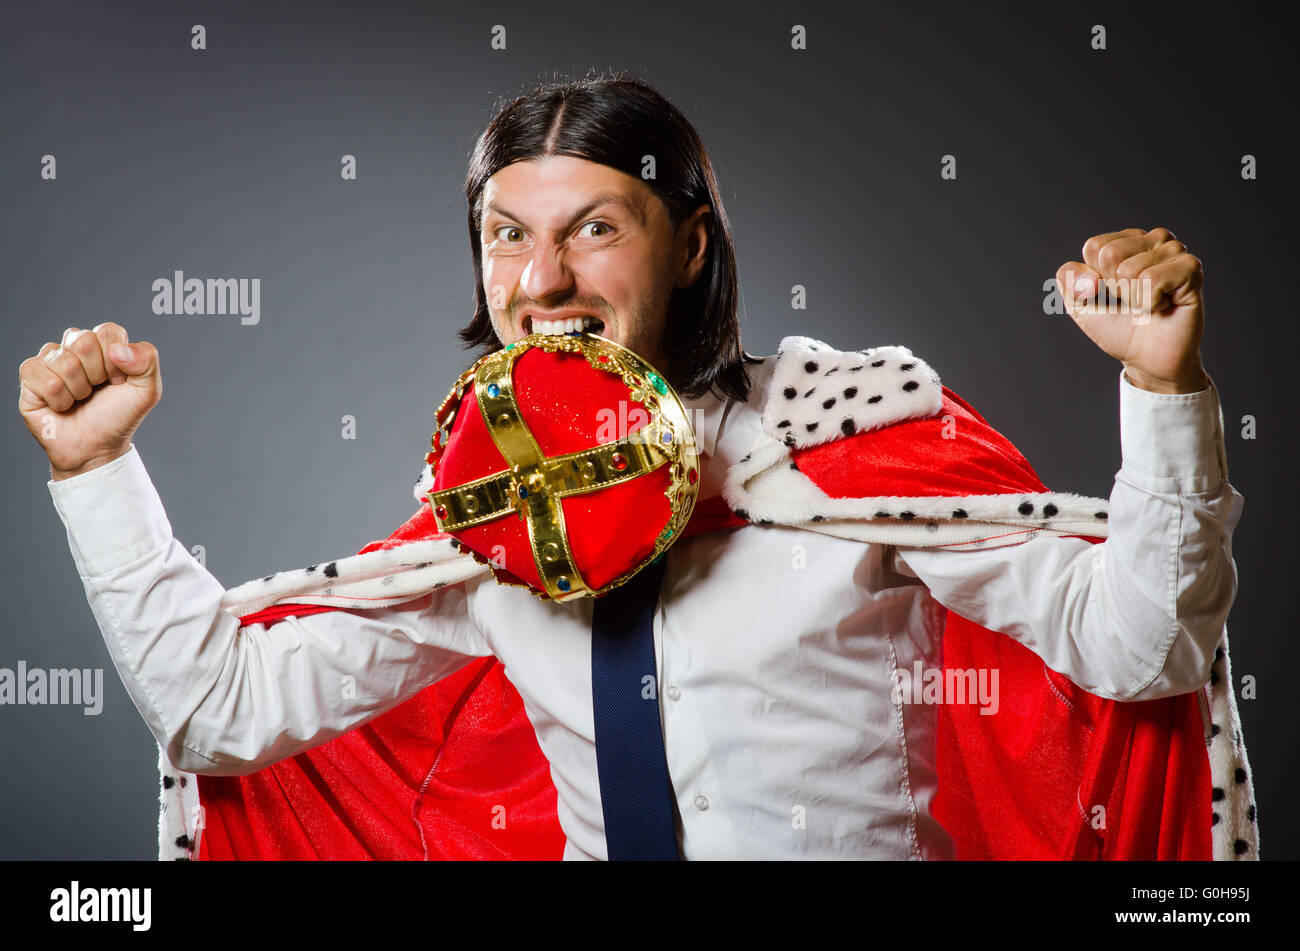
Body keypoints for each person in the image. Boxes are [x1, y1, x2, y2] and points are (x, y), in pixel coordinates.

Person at [18, 73, 1247, 860]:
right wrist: (97, 468)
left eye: (594, 229)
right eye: (508, 236)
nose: (541, 281)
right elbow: (219, 708)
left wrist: (1160, 389)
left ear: (690, 246)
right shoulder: (488, 515)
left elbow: (1144, 650)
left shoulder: (841, 441)